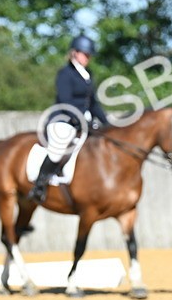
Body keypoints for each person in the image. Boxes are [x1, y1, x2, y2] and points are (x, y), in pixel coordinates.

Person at [27, 34, 110, 203]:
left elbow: (94, 103)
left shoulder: (87, 75)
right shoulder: (65, 74)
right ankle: (39, 185)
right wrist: (80, 120)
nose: (87, 58)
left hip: (84, 123)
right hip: (64, 121)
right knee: (58, 151)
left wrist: (108, 123)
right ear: (74, 53)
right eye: (84, 54)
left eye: (89, 55)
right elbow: (66, 101)